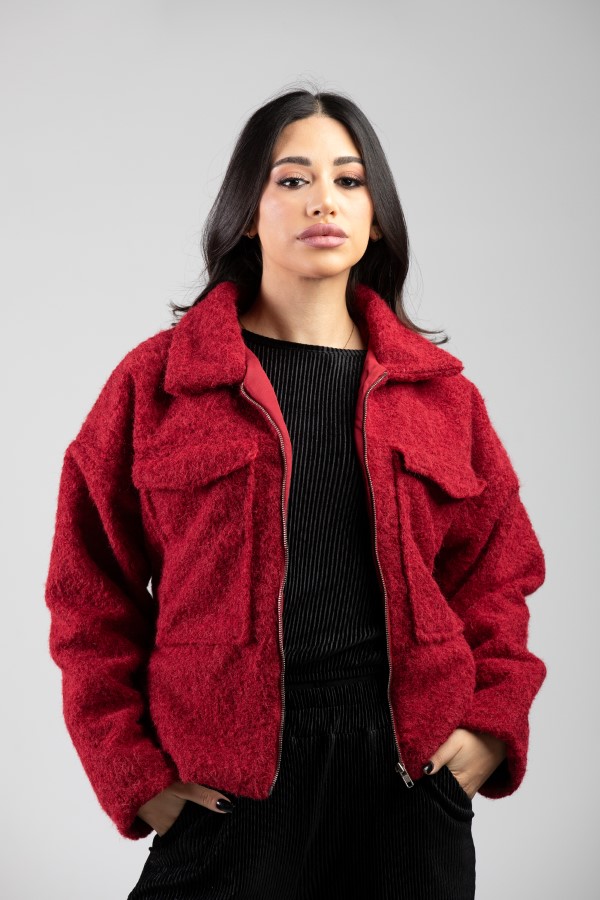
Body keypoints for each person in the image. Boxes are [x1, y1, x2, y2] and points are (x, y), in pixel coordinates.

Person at [44, 87, 547, 899]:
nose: (324, 200)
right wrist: (133, 774)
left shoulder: (443, 398)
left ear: (376, 216)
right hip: (231, 789)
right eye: (292, 179)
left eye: (349, 180)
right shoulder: (158, 384)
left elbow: (498, 577)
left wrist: (490, 728)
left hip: (408, 788)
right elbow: (88, 595)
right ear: (247, 212)